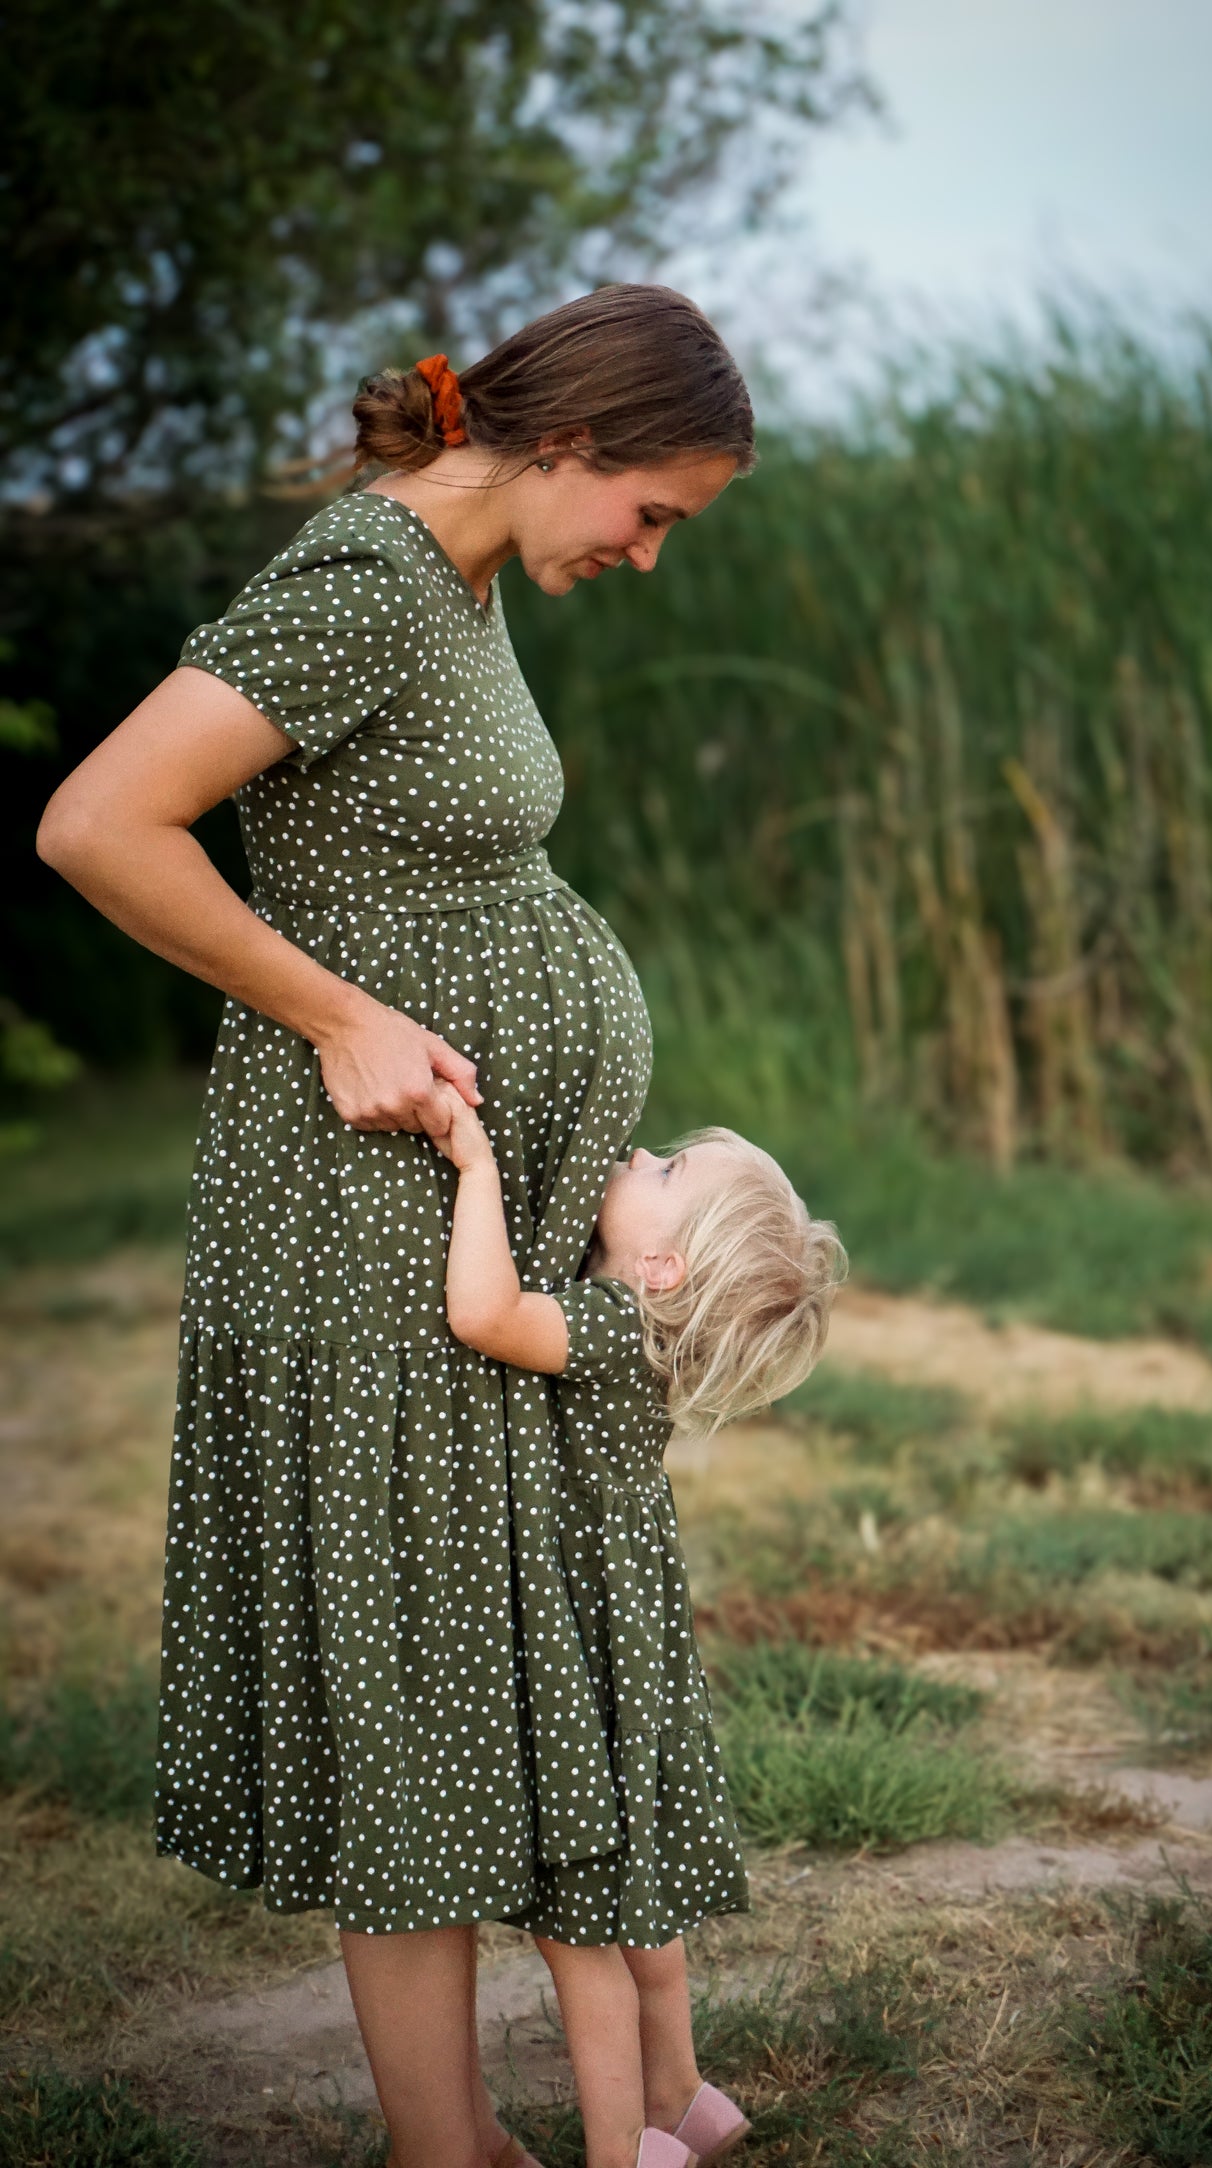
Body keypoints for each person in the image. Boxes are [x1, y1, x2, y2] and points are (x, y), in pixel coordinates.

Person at [36, 286, 753, 2168]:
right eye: (654, 510)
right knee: (408, 1671)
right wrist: (342, 1011)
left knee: (445, 1653)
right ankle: (452, 2152)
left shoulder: (460, 572)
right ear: (574, 442)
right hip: (359, 1220)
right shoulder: (366, 571)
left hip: (436, 1218)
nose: (650, 553)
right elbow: (102, 821)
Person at [429, 1089, 845, 2168]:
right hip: (625, 1646)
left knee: (581, 1932)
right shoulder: (646, 1341)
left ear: (660, 1269)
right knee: (637, 1902)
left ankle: (624, 2151)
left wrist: (476, 1168)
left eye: (663, 1173)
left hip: (580, 1652)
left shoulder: (609, 1325)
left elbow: (482, 1314)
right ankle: (680, 2092)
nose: (640, 1153)